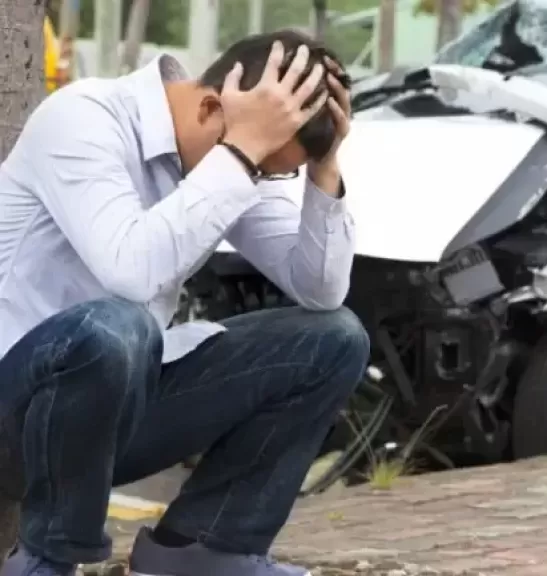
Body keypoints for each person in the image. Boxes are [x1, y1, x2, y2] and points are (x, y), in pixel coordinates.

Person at [0, 29, 369, 576]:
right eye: (264, 165)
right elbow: (131, 271)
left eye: (274, 170)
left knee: (335, 338)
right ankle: (47, 560)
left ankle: (206, 548)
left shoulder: (230, 154)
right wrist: (241, 156)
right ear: (212, 108)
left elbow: (321, 289)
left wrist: (324, 167)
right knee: (117, 326)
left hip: (108, 421)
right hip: (16, 413)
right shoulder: (83, 119)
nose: (261, 178)